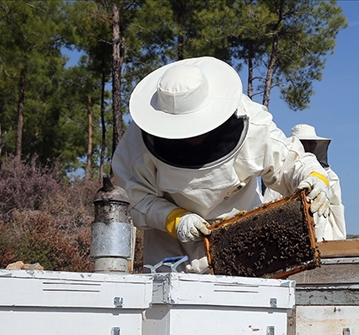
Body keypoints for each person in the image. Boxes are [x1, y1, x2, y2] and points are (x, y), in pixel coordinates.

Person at [111, 57, 331, 272]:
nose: (191, 135)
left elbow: (290, 163)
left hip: (247, 243)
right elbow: (134, 196)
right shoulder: (137, 143)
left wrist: (314, 178)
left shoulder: (252, 124)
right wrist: (173, 219)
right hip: (172, 251)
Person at [264, 124, 346, 241]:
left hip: (324, 238)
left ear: (315, 145)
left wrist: (339, 243)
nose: (307, 146)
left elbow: (336, 209)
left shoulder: (331, 177)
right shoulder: (281, 177)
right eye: (302, 142)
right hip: (291, 239)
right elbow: (267, 210)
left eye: (310, 142)